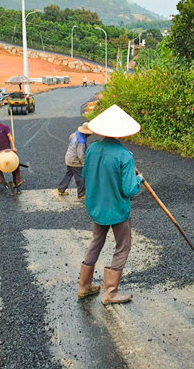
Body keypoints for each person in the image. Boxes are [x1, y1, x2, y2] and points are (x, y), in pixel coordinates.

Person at [78, 104, 143, 304]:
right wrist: (138, 179)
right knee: (123, 246)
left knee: (96, 243)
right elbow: (129, 190)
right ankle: (110, 293)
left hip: (97, 207)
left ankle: (84, 286)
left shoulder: (93, 149)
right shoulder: (125, 155)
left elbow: (85, 176)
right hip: (117, 210)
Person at [0, 114, 24, 192]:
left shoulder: (4, 127)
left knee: (15, 166)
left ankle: (17, 184)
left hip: (7, 150)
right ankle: (3, 182)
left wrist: (13, 147)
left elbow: (10, 136)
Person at [57, 122, 93, 198]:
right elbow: (80, 155)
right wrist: (84, 164)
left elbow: (70, 137)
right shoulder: (81, 142)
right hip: (75, 161)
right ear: (86, 133)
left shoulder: (76, 134)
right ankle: (81, 194)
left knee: (69, 174)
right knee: (80, 177)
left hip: (69, 157)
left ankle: (61, 189)